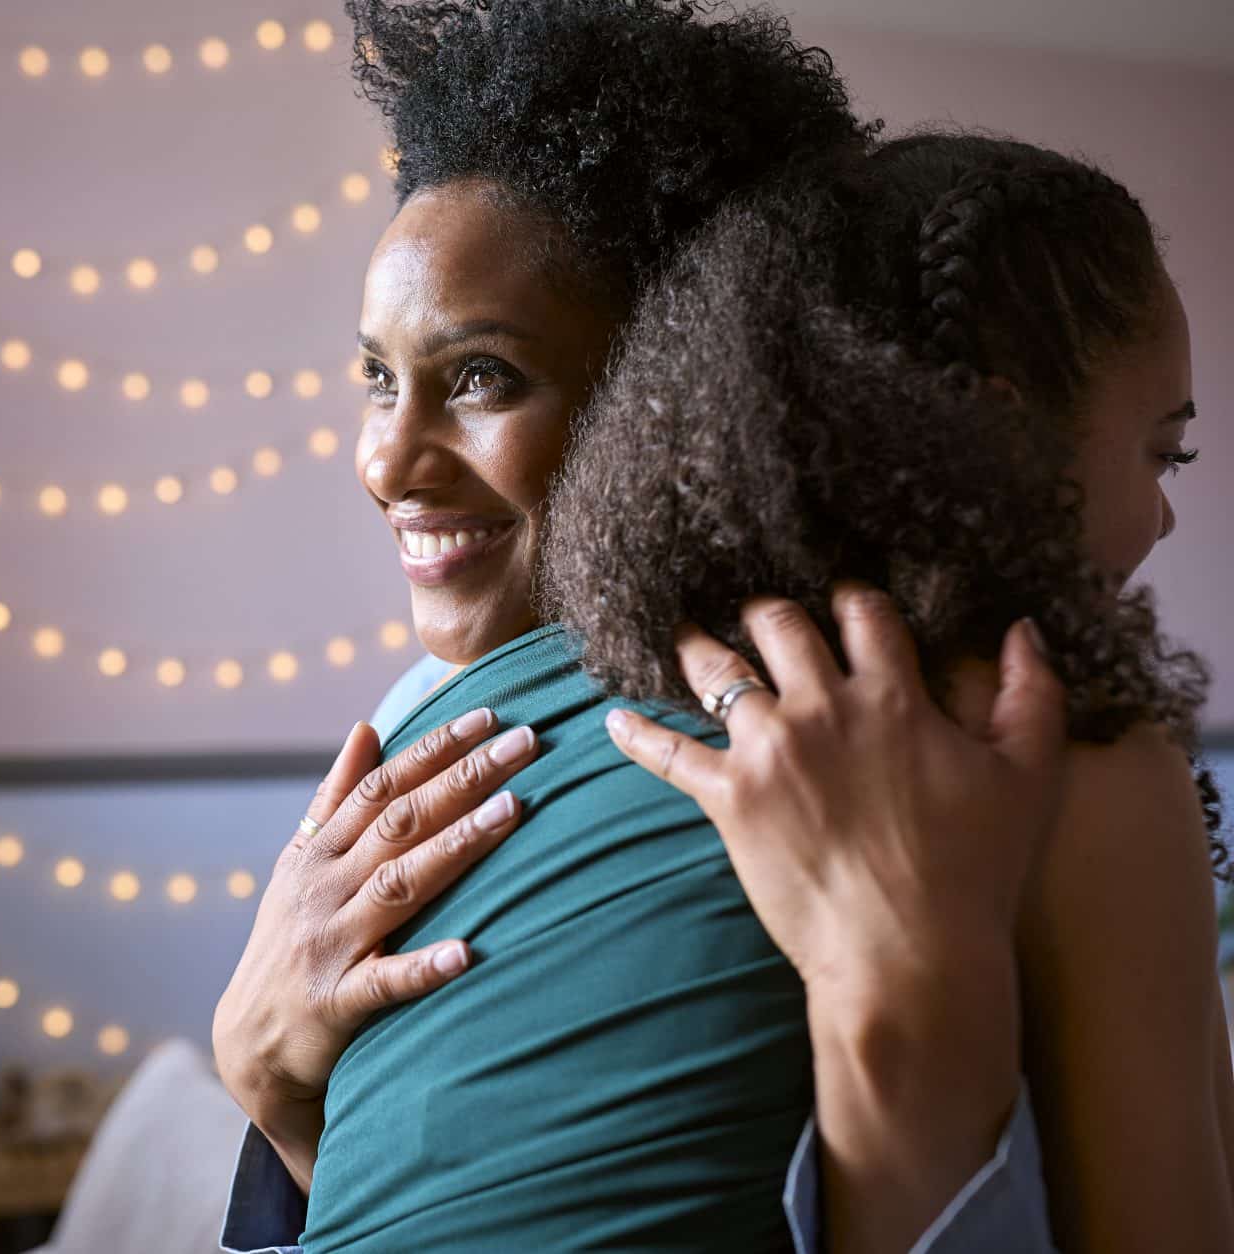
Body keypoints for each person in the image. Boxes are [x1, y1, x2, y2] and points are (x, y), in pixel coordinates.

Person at [217, 4, 1057, 1251]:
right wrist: (270, 1083)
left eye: (479, 377)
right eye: (377, 378)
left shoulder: (885, 715)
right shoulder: (406, 744)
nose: (386, 458)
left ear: (671, 392)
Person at [549, 134, 1234, 1252]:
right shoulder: (1080, 761)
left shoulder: (582, 708)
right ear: (1013, 439)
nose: (1162, 519)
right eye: (1163, 455)